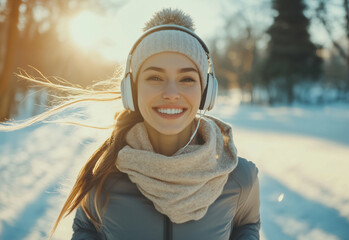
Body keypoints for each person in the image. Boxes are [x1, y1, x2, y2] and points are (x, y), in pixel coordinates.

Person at [6, 8, 260, 240]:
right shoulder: (102, 178)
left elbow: (247, 224)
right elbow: (86, 228)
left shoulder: (239, 179)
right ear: (132, 90)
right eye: (155, 77)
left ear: (206, 92)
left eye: (186, 79)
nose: (171, 92)